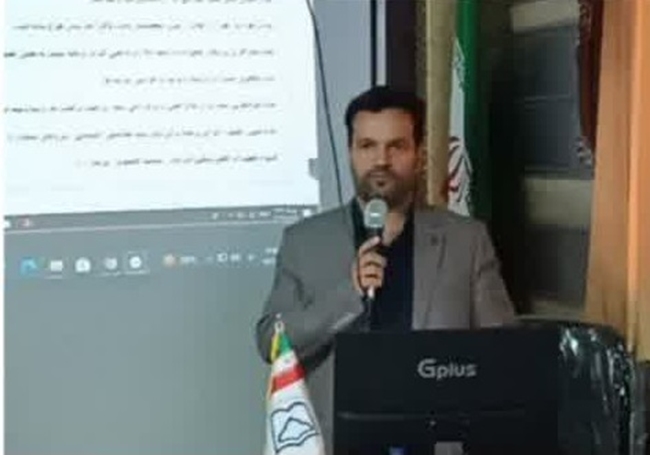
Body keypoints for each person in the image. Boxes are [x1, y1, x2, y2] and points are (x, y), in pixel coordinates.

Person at [255, 86, 515, 454]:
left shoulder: (466, 241)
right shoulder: (304, 242)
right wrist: (348, 294)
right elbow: (270, 341)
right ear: (350, 152)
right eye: (367, 146)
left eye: (396, 146)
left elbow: (503, 355)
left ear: (419, 154)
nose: (381, 160)